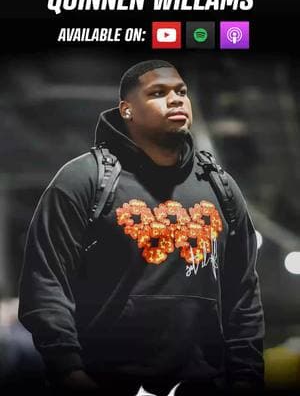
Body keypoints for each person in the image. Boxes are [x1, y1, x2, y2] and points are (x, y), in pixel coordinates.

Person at [18, 60, 265, 395]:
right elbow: (45, 282)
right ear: (127, 110)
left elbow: (244, 294)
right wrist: (68, 372)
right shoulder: (84, 180)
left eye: (181, 91)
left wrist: (247, 375)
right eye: (158, 93)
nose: (176, 99)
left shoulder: (219, 186)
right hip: (104, 381)